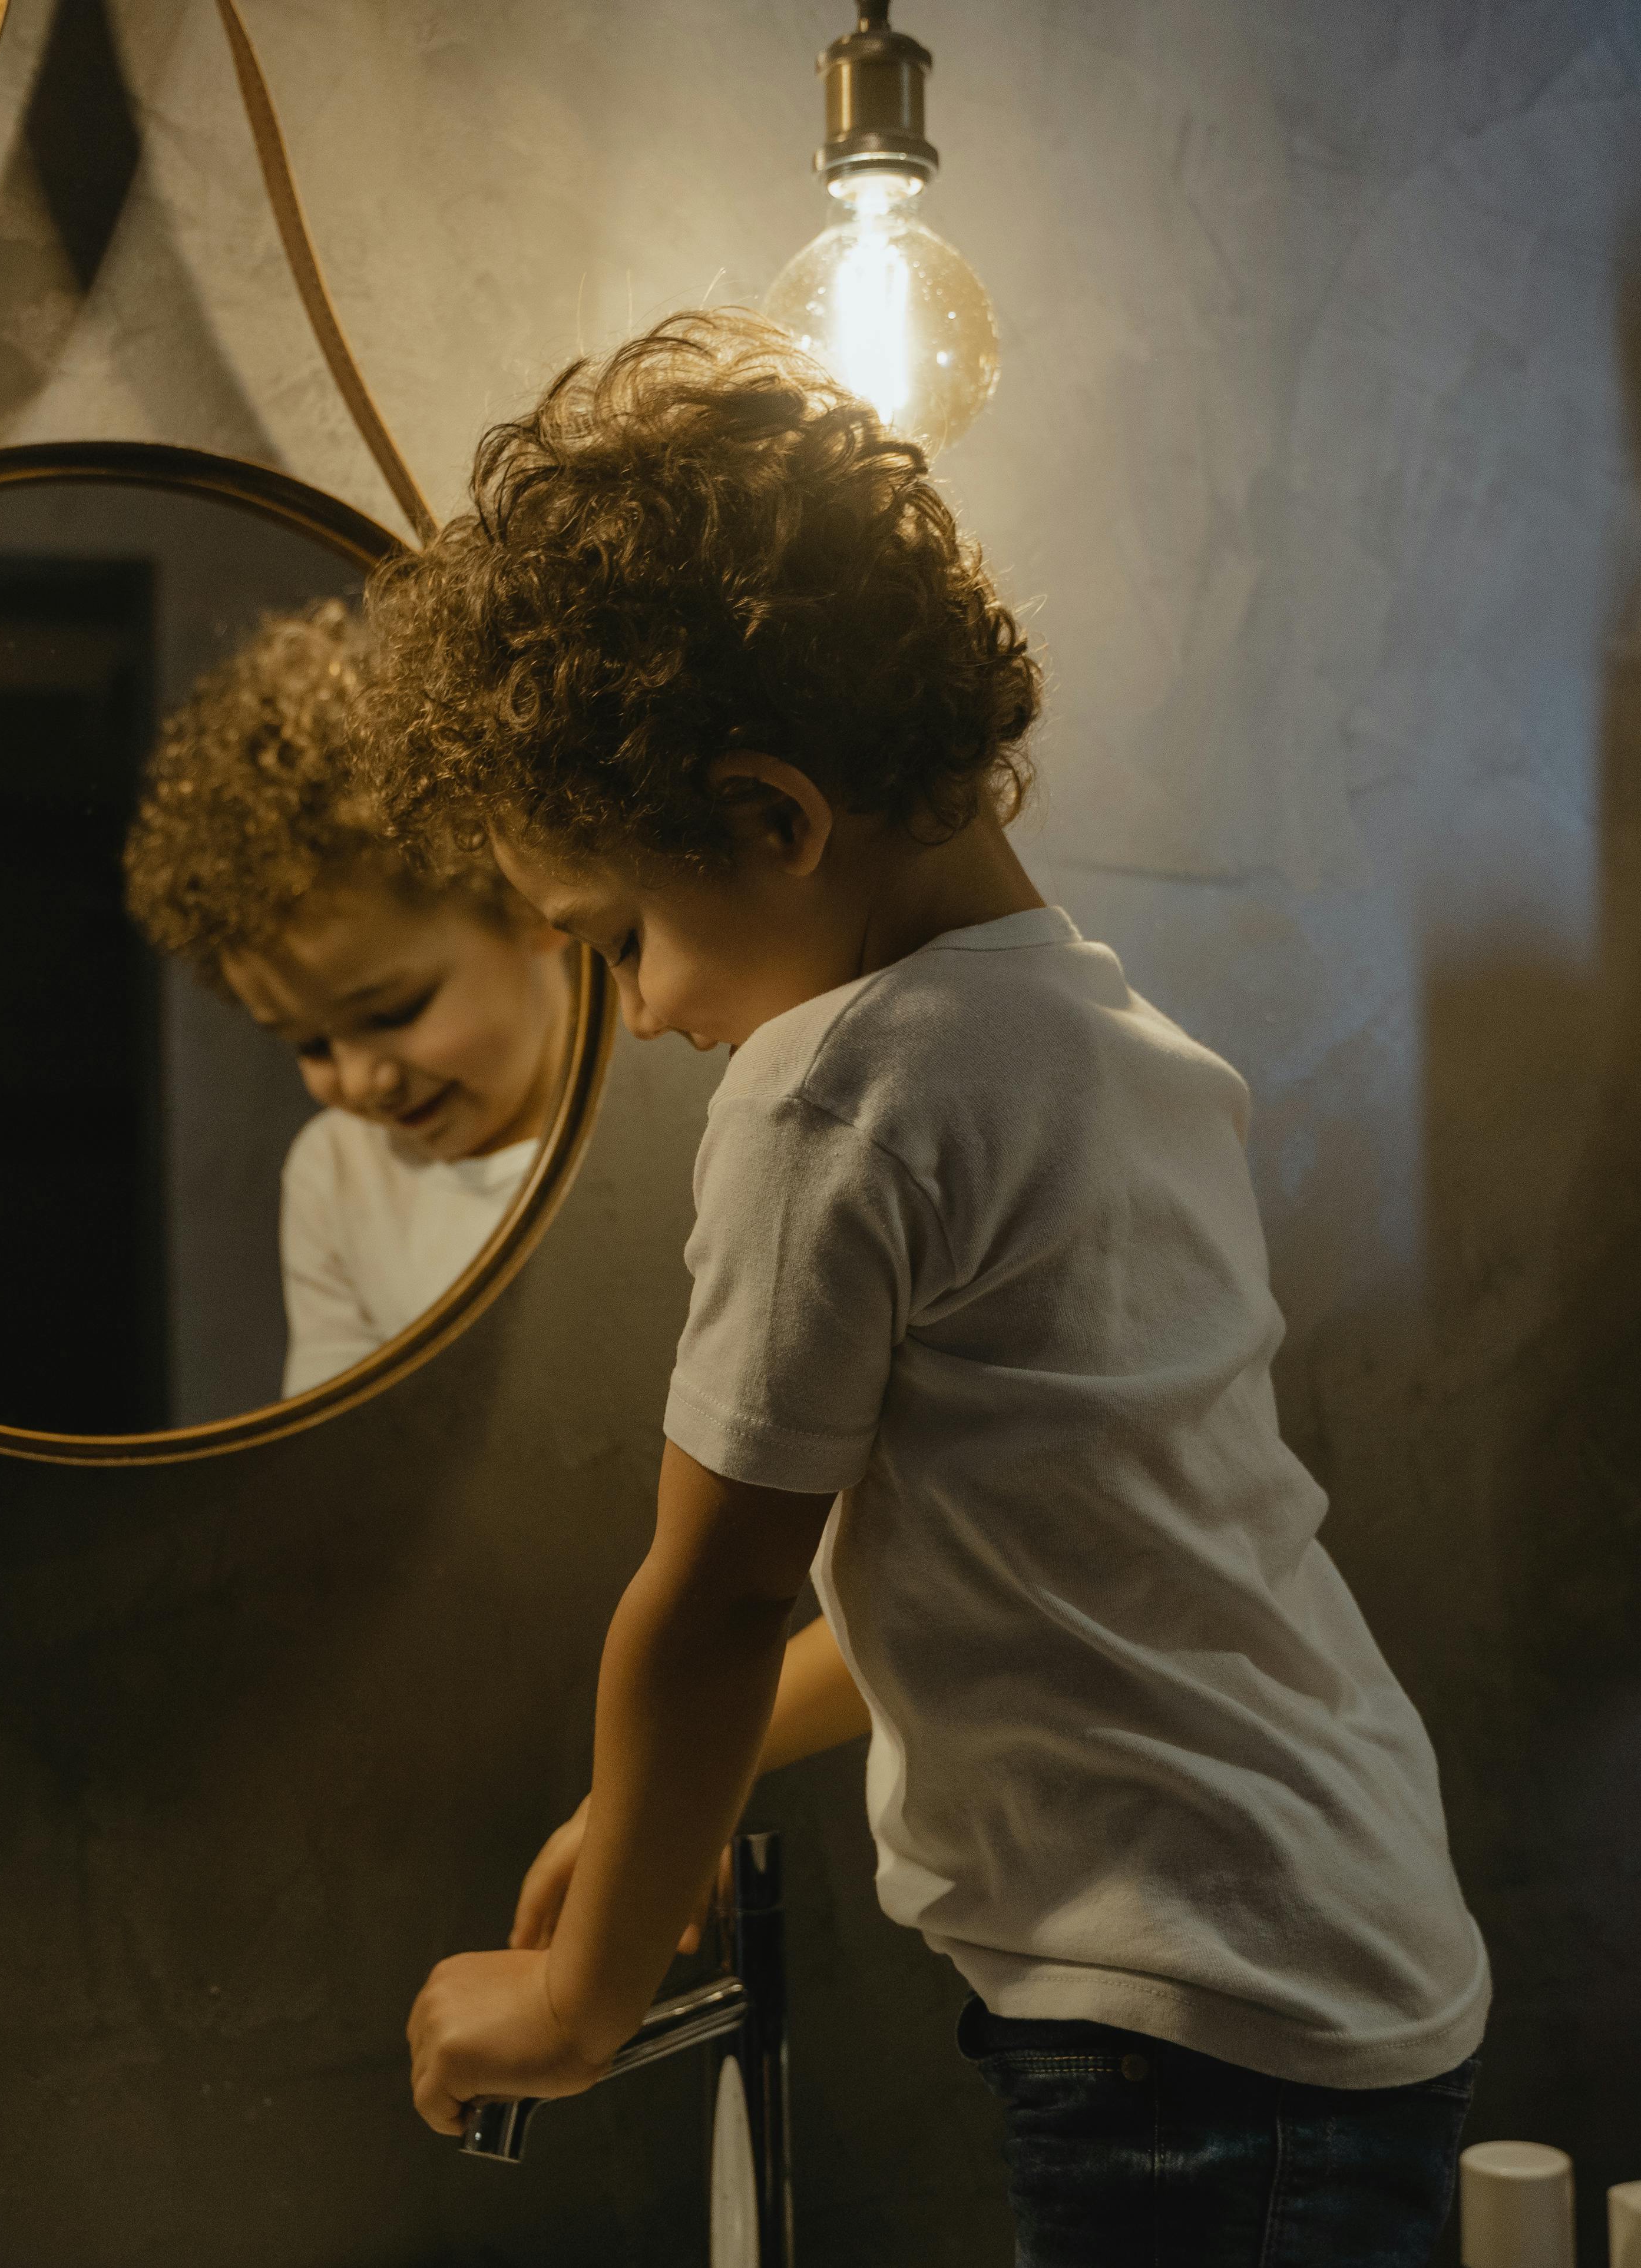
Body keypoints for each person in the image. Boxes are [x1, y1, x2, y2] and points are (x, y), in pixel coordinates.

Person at [366, 315, 1490, 2263]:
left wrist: (577, 1995)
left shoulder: (836, 1089)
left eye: (619, 934)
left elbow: (713, 1601)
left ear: (771, 822)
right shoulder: (1103, 1035)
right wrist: (643, 1812)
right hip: (1326, 1927)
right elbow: (1026, 1583)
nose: (637, 1014)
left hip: (1181, 2022)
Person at [122, 600, 571, 1398]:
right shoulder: (336, 1174)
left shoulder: (683, 1107)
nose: (361, 1084)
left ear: (525, 899)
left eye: (392, 1013)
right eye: (310, 1045)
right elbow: (344, 1461)